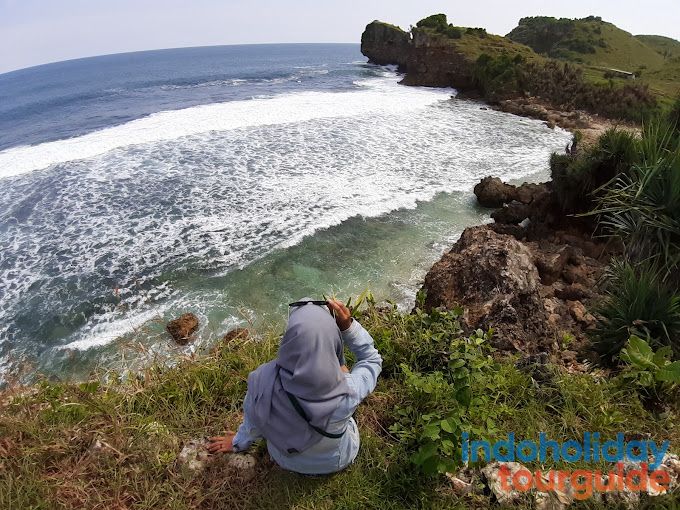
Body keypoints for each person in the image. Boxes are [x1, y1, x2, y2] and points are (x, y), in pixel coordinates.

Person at [208, 298, 382, 475]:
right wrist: (348, 328)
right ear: (333, 338)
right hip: (336, 460)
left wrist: (237, 442)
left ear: (290, 339)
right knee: (341, 370)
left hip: (285, 459)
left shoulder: (262, 380)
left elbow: (253, 425)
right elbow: (372, 359)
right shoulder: (349, 390)